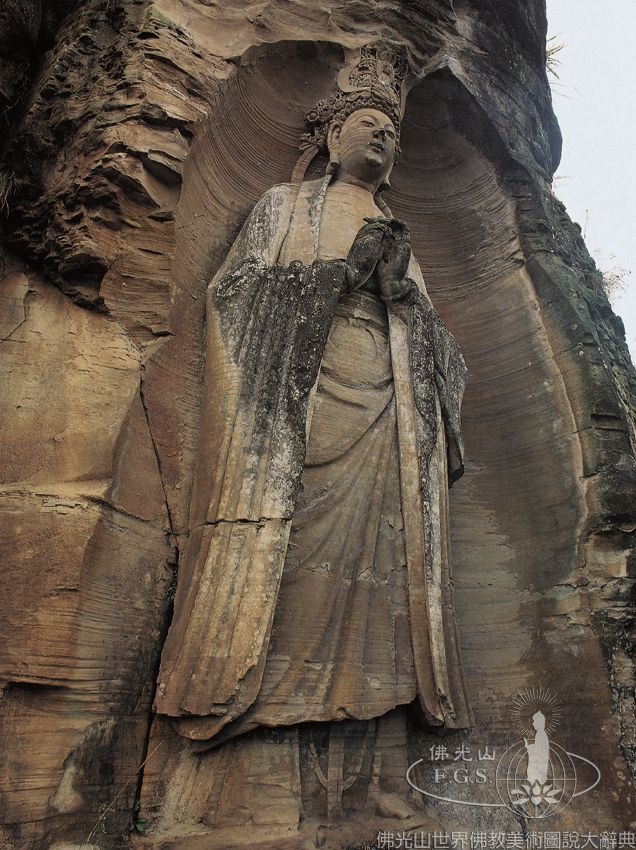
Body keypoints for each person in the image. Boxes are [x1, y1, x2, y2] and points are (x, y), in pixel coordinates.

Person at [152, 43, 471, 825]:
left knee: (384, 580)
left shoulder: (396, 228)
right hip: (299, 410)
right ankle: (251, 770)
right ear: (332, 137)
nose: (383, 136)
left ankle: (371, 765)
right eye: (369, 124)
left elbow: (444, 354)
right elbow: (234, 300)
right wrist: (337, 276)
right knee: (287, 566)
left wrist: (401, 296)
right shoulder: (284, 208)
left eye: (391, 132)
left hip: (389, 421)